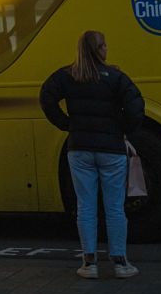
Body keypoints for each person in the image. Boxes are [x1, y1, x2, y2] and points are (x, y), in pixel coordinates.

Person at [40, 30, 145, 280]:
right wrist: (124, 128)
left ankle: (89, 263)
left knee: (85, 206)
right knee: (114, 207)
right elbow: (136, 105)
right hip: (111, 150)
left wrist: (66, 124)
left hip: (80, 149)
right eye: (104, 45)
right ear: (101, 49)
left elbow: (46, 97)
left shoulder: (67, 76)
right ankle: (120, 263)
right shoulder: (116, 77)